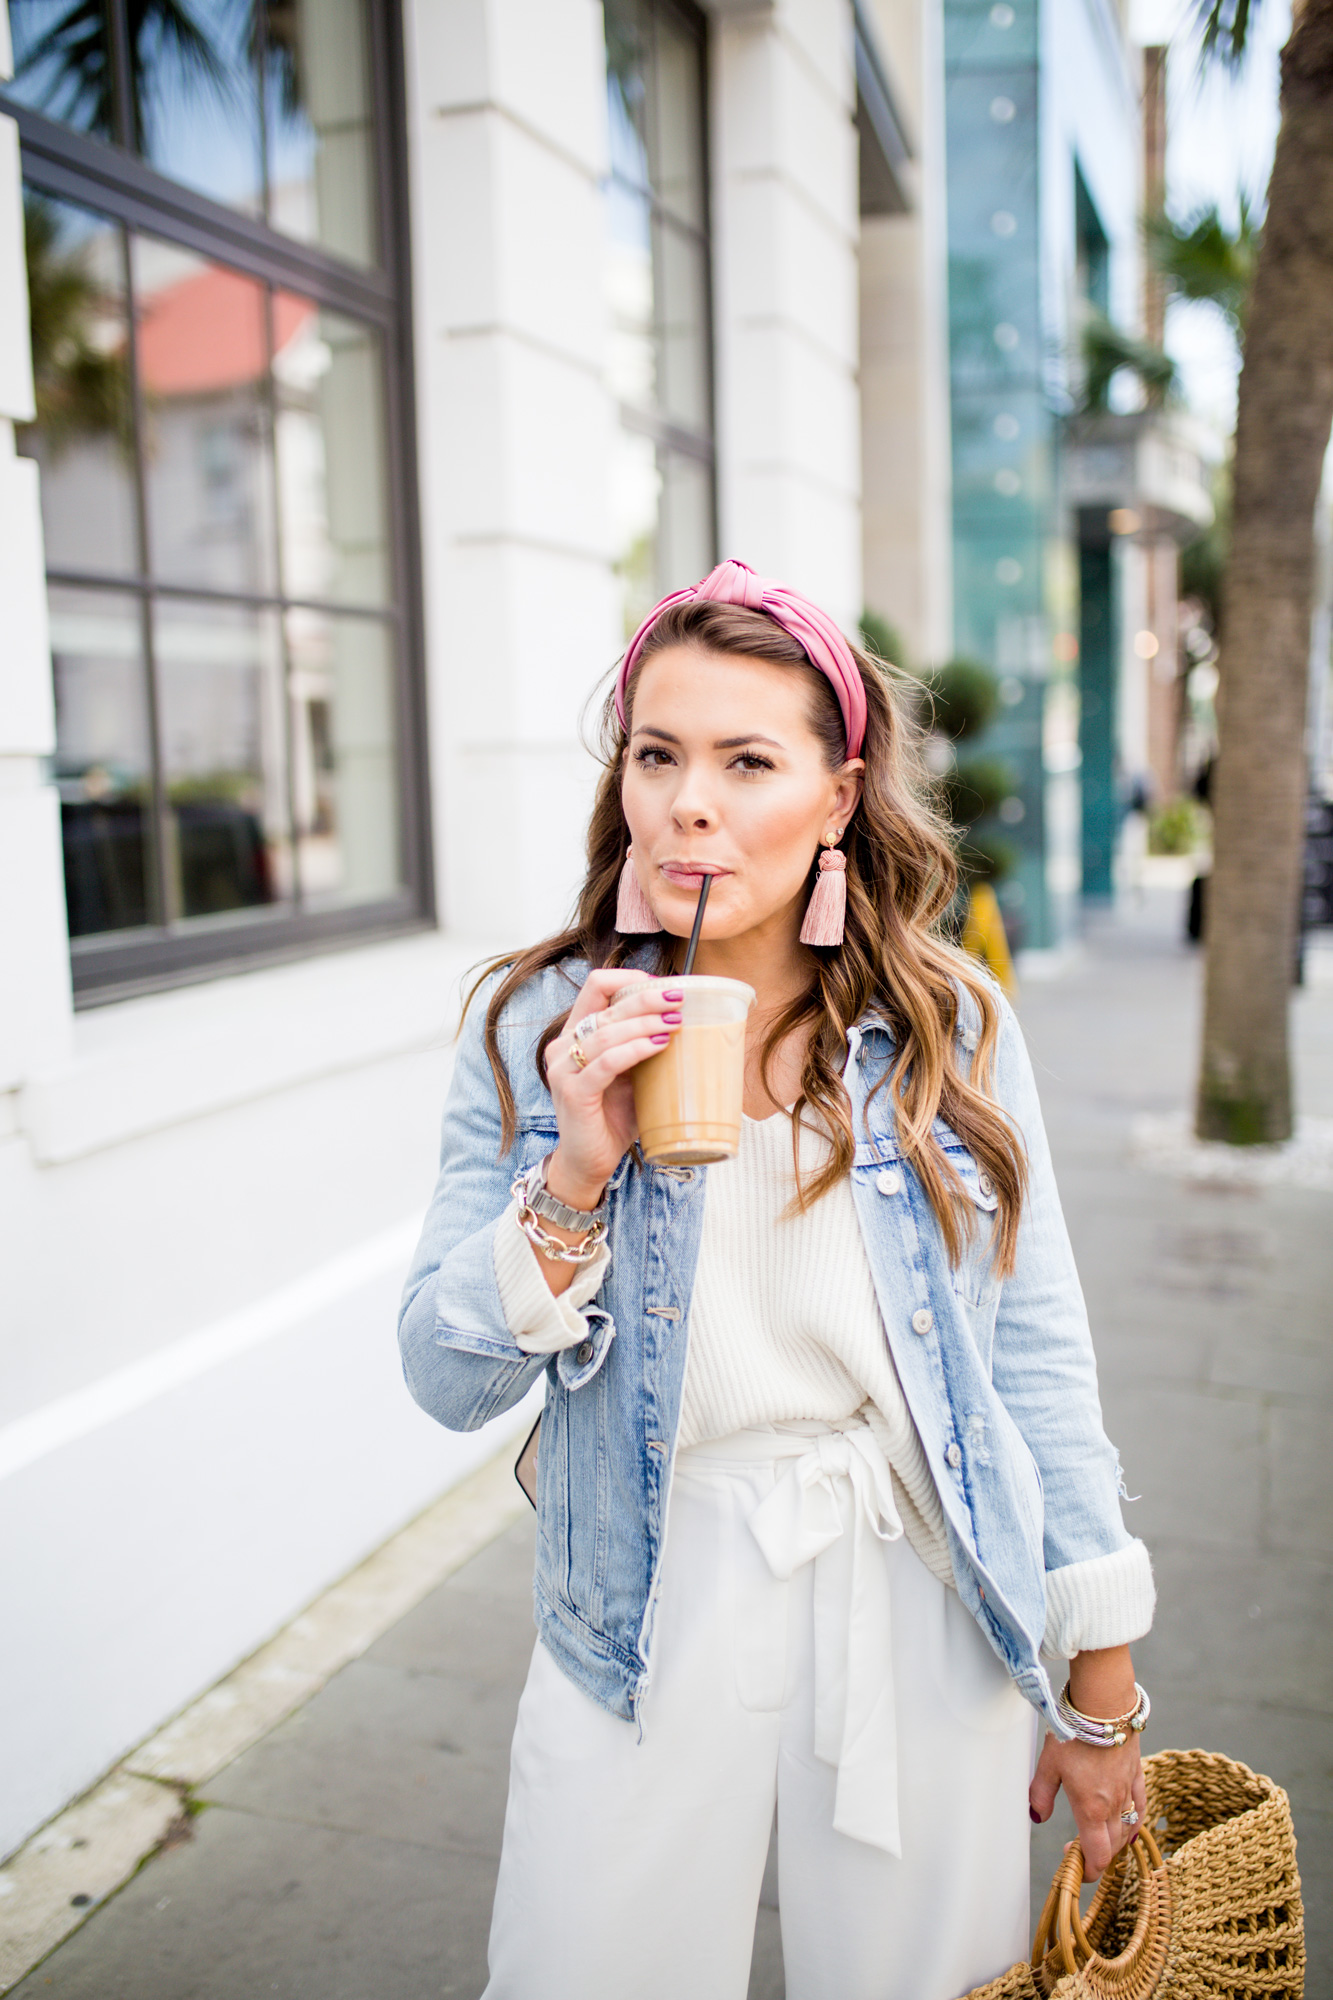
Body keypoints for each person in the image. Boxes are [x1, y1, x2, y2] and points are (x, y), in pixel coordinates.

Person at [399, 560, 1155, 2000]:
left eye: (748, 760)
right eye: (657, 754)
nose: (691, 801)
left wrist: (1100, 1694)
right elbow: (444, 1381)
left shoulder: (945, 1024)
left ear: (835, 793)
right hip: (641, 1576)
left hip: (920, 1574)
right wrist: (573, 1175)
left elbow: (1035, 1359)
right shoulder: (535, 1024)